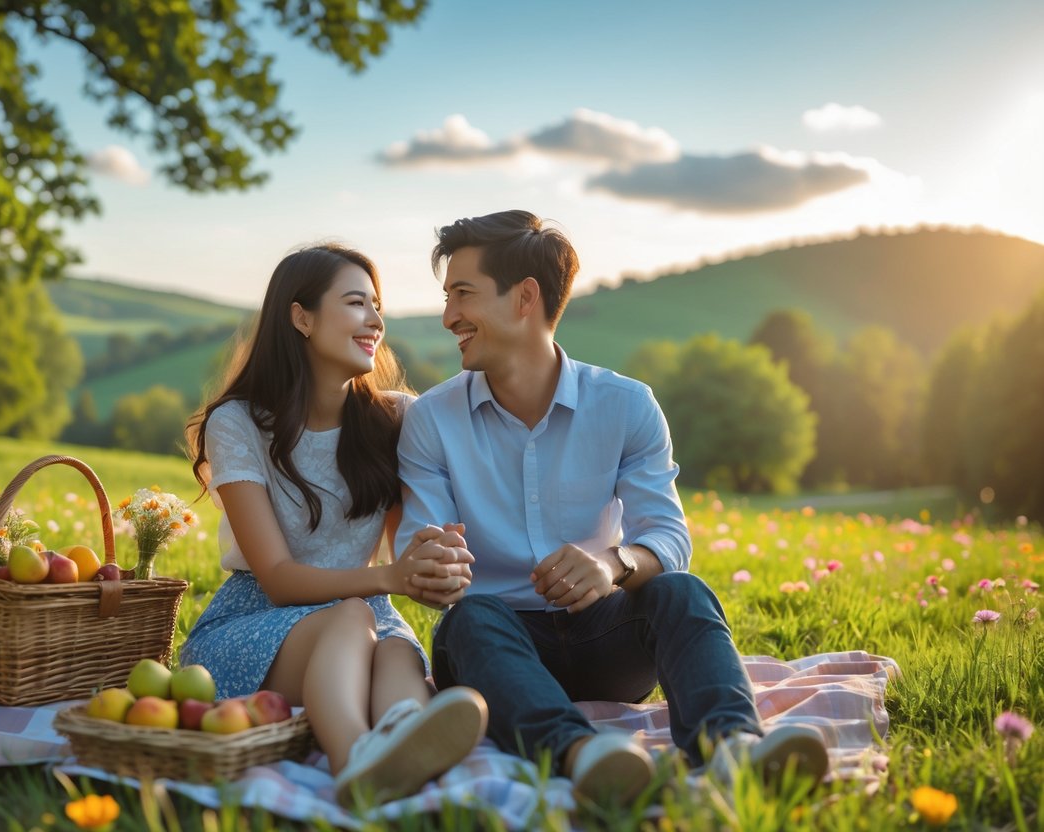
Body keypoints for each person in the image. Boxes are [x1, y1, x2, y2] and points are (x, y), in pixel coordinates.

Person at [395, 210, 828, 805]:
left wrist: (613, 563)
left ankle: (734, 750)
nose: (448, 318)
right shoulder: (430, 421)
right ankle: (587, 757)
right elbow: (418, 546)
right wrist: (429, 564)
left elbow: (667, 533)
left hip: (607, 638)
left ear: (525, 298)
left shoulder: (626, 406)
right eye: (447, 299)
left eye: (463, 296)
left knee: (683, 591)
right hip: (493, 649)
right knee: (471, 619)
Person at [181, 244, 487, 807]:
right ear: (301, 317)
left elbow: (406, 546)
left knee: (397, 653)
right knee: (353, 620)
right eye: (355, 303)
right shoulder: (239, 422)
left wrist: (433, 567)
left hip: (366, 618)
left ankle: (405, 743)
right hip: (254, 622)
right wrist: (391, 579)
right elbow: (276, 577)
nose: (375, 321)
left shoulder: (395, 417)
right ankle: (355, 763)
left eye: (377, 305)